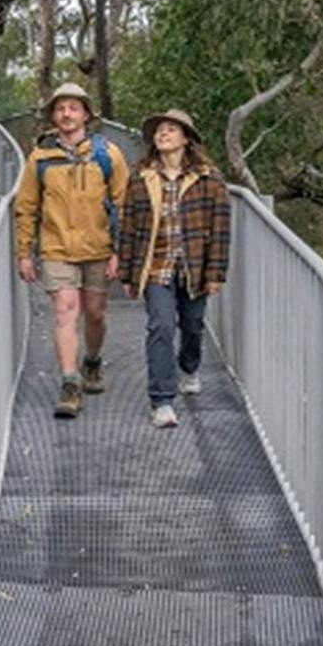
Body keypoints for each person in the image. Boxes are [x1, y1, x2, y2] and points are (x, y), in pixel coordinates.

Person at [13, 81, 129, 419]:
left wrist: (119, 251)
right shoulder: (40, 158)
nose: (66, 113)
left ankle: (92, 360)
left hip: (98, 247)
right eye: (60, 108)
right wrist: (24, 252)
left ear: (86, 114)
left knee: (94, 313)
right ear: (53, 115)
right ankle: (70, 383)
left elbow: (123, 203)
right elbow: (26, 207)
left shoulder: (107, 154)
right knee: (65, 311)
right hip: (56, 248)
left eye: (73, 108)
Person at [116, 108, 230, 428]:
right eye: (159, 131)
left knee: (193, 325)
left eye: (170, 129)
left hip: (193, 266)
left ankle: (189, 367)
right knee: (161, 327)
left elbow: (220, 230)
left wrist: (215, 274)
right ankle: (162, 400)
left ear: (186, 139)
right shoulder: (141, 178)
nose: (163, 134)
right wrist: (127, 272)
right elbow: (129, 228)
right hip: (156, 267)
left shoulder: (209, 179)